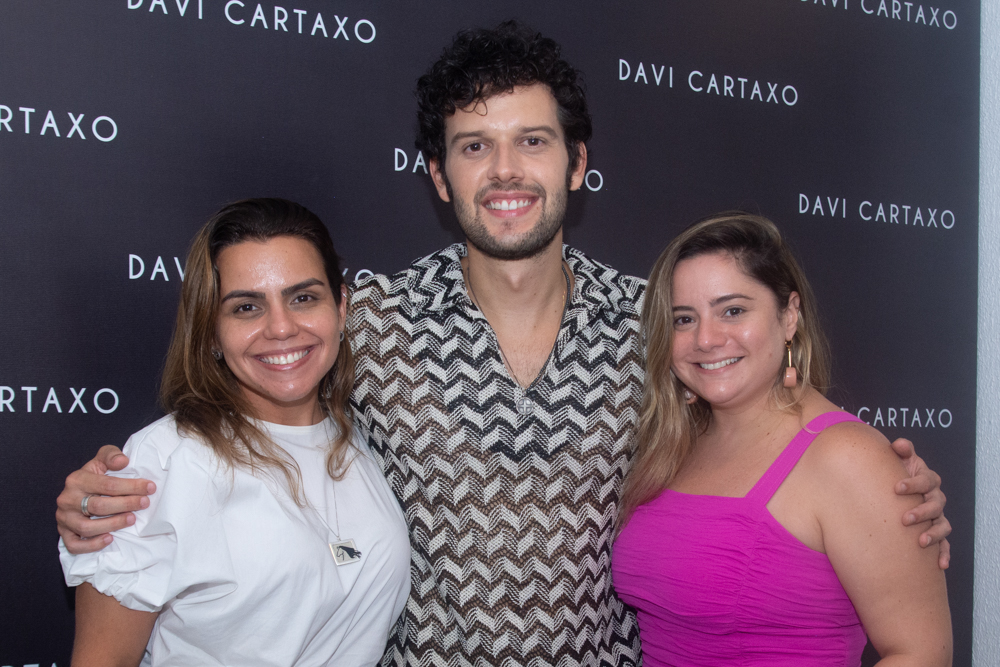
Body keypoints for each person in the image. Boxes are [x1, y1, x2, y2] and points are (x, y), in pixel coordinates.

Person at [55, 22, 951, 667]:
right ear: (440, 178)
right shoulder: (367, 321)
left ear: (577, 162)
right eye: (475, 147)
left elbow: (766, 443)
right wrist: (112, 496)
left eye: (532, 140)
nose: (507, 171)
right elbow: (255, 428)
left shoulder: (655, 328)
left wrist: (894, 494)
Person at [58, 199, 410, 666]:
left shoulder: (371, 437)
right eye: (246, 307)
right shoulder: (167, 461)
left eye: (303, 297)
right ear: (210, 330)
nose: (281, 328)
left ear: (341, 307)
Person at [612, 213, 952, 666]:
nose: (707, 338)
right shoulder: (673, 445)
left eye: (733, 310)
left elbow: (921, 653)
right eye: (683, 319)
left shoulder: (846, 456)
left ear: (789, 315)